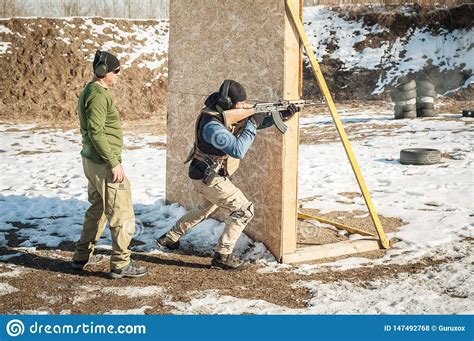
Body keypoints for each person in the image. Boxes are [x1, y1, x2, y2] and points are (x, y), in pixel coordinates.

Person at [156, 80, 299, 270]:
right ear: (227, 102)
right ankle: (222, 256)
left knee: (204, 209)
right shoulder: (211, 125)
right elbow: (237, 150)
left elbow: (251, 123)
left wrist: (281, 115)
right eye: (240, 105)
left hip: (206, 174)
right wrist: (252, 123)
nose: (243, 108)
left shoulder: (222, 115)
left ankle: (170, 238)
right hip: (207, 177)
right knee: (244, 210)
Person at [72, 50, 148, 279]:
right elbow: (96, 132)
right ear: (104, 72)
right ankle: (121, 265)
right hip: (103, 163)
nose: (117, 77)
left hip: (93, 161)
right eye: (115, 72)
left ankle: (81, 256)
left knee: (97, 211)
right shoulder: (97, 95)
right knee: (122, 213)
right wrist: (114, 163)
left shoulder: (92, 90)